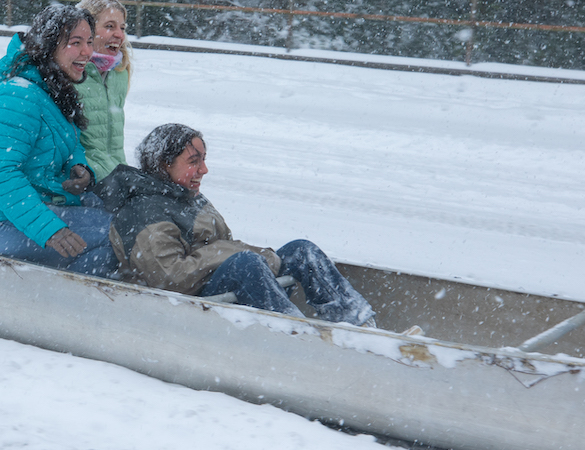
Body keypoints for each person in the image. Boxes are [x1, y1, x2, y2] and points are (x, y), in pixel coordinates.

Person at [93, 124, 376, 326]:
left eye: (203, 160)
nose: (204, 170)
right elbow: (170, 278)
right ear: (165, 164)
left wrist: (238, 256)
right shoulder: (145, 210)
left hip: (222, 289)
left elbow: (221, 246)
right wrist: (234, 256)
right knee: (244, 264)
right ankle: (297, 337)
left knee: (302, 250)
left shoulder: (186, 195)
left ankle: (359, 325)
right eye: (194, 161)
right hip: (189, 306)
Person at [0, 4, 117, 276]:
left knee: (121, 217)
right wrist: (49, 229)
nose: (87, 52)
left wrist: (80, 168)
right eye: (75, 43)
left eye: (89, 42)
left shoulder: (54, 89)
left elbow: (70, 144)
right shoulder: (17, 96)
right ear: (48, 46)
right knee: (116, 235)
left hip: (37, 207)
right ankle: (67, 302)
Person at [74, 0, 133, 180]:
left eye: (122, 28)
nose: (119, 34)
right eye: (109, 26)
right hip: (84, 179)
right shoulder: (70, 72)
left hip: (116, 176)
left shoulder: (119, 72)